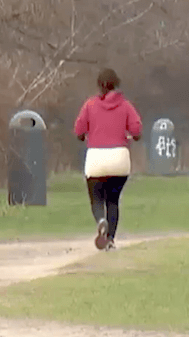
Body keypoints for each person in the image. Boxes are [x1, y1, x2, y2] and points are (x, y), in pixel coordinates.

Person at [73, 68, 142, 250]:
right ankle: (110, 239)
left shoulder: (90, 105)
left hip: (96, 157)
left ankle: (100, 220)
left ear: (99, 85)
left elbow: (79, 131)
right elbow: (137, 131)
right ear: (116, 84)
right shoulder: (126, 105)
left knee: (96, 198)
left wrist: (85, 135)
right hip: (119, 157)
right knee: (113, 200)